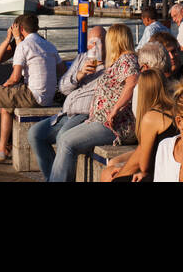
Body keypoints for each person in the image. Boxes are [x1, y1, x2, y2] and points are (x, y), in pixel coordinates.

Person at [48, 25, 140, 183]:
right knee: (63, 138)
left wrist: (115, 109)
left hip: (113, 124)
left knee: (67, 141)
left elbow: (132, 83)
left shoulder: (127, 59)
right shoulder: (119, 60)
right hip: (101, 120)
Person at [0, 11, 63, 162]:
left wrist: (3, 88)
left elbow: (15, 77)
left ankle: (1, 150)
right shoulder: (50, 45)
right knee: (6, 105)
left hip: (34, 96)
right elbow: (62, 71)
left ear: (21, 28)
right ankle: (2, 149)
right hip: (48, 97)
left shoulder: (23, 46)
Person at [27, 26, 105, 180]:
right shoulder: (82, 58)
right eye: (91, 43)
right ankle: (53, 178)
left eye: (98, 42)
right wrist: (78, 75)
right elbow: (62, 87)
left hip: (84, 114)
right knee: (35, 134)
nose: (93, 47)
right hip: (66, 113)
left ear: (107, 43)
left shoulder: (111, 64)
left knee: (63, 137)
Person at [101, 68, 177, 182]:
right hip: (167, 167)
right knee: (111, 168)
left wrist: (120, 173)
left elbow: (144, 166)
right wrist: (121, 167)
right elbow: (143, 150)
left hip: (158, 173)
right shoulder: (174, 111)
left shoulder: (152, 117)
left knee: (109, 176)